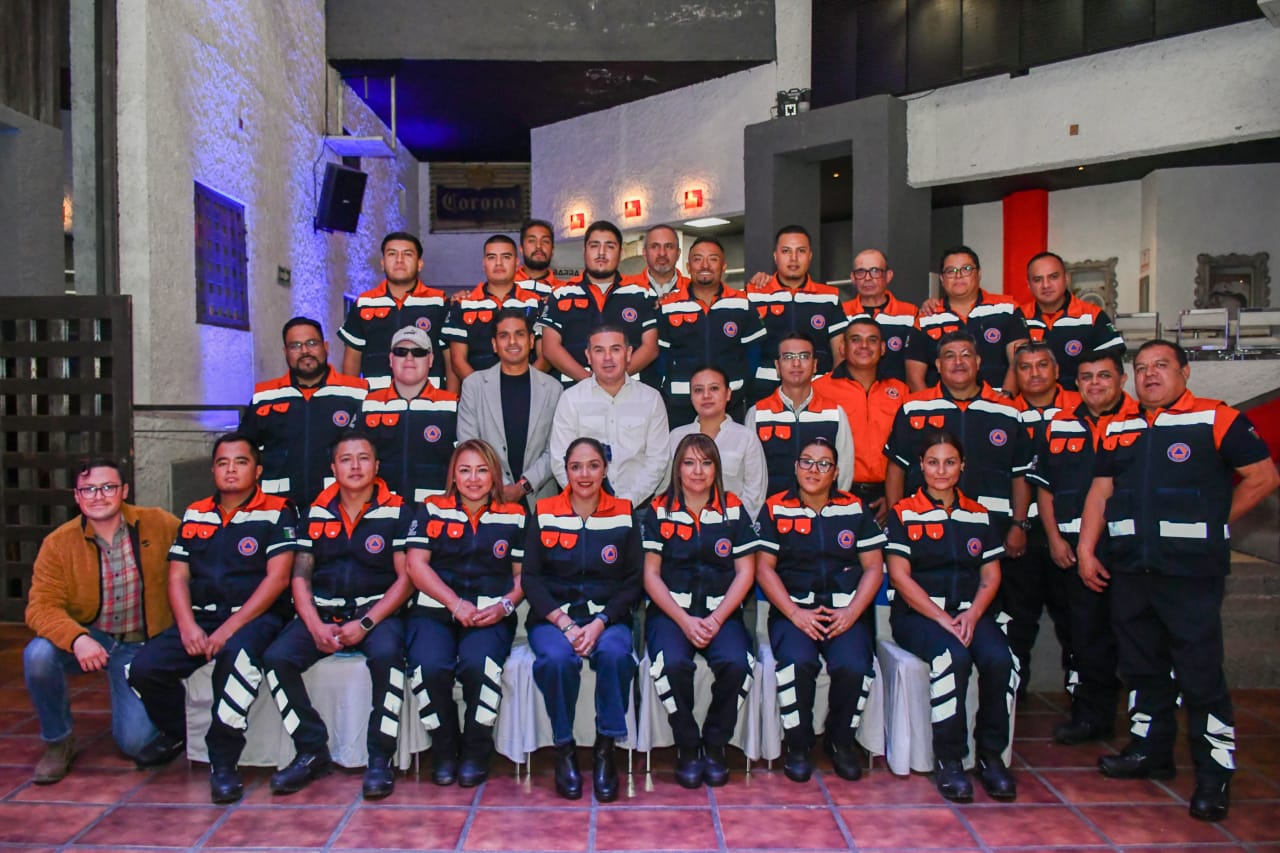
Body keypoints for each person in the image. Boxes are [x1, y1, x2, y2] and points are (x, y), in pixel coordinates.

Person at [1077, 340, 1278, 822]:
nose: (1150, 375)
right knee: (1141, 667)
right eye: (1142, 367)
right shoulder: (1119, 426)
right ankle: (1150, 750)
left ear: (1185, 372)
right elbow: (1101, 490)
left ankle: (1213, 775)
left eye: (1161, 366)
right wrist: (1086, 547)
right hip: (1130, 569)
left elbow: (1263, 477)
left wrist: (1214, 522)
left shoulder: (1217, 419)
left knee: (1200, 675)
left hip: (1190, 573)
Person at [128, 433, 297, 804]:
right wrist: (187, 625)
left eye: (241, 462)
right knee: (144, 668)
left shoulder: (278, 511)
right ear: (213, 471)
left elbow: (278, 579)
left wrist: (229, 630)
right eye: (223, 463)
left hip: (256, 618)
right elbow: (177, 576)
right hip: (202, 617)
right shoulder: (195, 512)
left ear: (258, 470)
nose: (231, 470)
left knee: (234, 660)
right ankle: (179, 732)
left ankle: (223, 761)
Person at [261, 432, 415, 800]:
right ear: (333, 468)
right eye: (346, 459)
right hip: (324, 611)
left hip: (377, 613)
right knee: (276, 658)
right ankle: (311, 749)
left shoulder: (398, 510)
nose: (355, 466)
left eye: (363, 458)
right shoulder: (314, 511)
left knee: (388, 657)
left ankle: (380, 758)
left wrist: (366, 623)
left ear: (377, 466)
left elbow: (407, 580)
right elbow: (300, 576)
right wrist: (314, 624)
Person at [23, 458, 181, 783]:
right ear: (76, 496)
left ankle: (157, 693)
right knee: (38, 655)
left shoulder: (159, 524)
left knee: (135, 743)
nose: (98, 496)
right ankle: (58, 741)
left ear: (124, 491)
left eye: (108, 487)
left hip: (141, 644)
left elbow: (199, 556)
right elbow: (40, 606)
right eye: (88, 489)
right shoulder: (59, 543)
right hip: (93, 637)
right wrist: (77, 638)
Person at [885, 431, 1018, 803]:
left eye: (949, 462)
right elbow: (900, 577)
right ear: (921, 466)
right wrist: (943, 618)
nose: (941, 471)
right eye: (933, 462)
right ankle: (950, 759)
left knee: (1000, 660)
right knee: (952, 657)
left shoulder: (979, 514)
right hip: (919, 616)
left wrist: (973, 613)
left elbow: (991, 576)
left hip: (971, 613)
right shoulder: (903, 513)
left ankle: (991, 756)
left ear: (962, 466)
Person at [755, 437, 886, 783]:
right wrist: (795, 614)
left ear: (836, 472)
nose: (814, 470)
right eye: (807, 462)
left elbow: (874, 567)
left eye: (823, 463)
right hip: (794, 611)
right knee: (797, 663)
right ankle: (798, 746)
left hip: (845, 612)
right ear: (795, 467)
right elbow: (763, 568)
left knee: (854, 666)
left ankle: (840, 742)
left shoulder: (855, 508)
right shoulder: (775, 507)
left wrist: (852, 613)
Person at [522, 438, 644, 802]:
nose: (584, 474)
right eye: (576, 467)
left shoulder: (624, 512)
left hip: (608, 618)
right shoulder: (544, 511)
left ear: (605, 469)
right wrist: (564, 623)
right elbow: (530, 579)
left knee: (615, 655)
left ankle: (606, 750)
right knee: (556, 660)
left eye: (593, 465)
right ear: (565, 471)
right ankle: (565, 749)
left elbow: (633, 580)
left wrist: (601, 621)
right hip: (554, 619)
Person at [405, 439, 526, 787]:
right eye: (465, 470)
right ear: (453, 476)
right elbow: (415, 565)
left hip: (490, 614)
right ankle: (444, 749)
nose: (473, 479)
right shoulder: (431, 508)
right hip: (435, 611)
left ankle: (475, 750)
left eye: (482, 470)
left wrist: (504, 606)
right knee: (428, 667)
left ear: (495, 475)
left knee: (480, 666)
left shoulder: (516, 515)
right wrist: (454, 603)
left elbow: (524, 577)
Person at [642, 434, 757, 788]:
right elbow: (650, 575)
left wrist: (717, 618)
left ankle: (715, 744)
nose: (698, 471)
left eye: (706, 463)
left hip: (721, 613)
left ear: (716, 469)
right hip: (671, 614)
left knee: (738, 664)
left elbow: (746, 572)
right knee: (671, 664)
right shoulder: (659, 509)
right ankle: (688, 745)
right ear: (677, 468)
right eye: (689, 463)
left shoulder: (733, 508)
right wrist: (684, 620)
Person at [1027, 348, 1129, 746]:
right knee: (1085, 638)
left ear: (1122, 380)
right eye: (1086, 377)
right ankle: (1091, 718)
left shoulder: (1142, 422)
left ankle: (1147, 727)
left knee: (1137, 638)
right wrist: (1054, 539)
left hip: (1127, 549)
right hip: (1072, 550)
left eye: (1104, 376)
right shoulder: (1059, 425)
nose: (1094, 384)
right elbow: (1044, 488)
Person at [885, 331, 1034, 562]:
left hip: (995, 528)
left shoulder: (1007, 411)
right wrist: (897, 520)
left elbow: (1020, 472)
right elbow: (896, 468)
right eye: (949, 356)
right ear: (938, 365)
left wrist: (1019, 524)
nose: (958, 362)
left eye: (966, 355)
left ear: (978, 362)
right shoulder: (913, 408)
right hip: (924, 527)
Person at [1001, 341, 1082, 697]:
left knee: (1075, 619)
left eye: (1042, 365)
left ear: (1056, 369)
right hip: (1021, 533)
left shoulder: (1081, 407)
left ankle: (1081, 694)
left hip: (1072, 533)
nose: (1034, 373)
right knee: (1018, 619)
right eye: (1025, 367)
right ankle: (1013, 695)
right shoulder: (1003, 412)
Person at [240, 317, 368, 508]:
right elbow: (243, 451)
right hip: (277, 507)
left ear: (326, 347)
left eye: (312, 343)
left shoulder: (357, 393)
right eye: (295, 346)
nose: (305, 351)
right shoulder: (265, 396)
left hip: (338, 506)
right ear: (285, 352)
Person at [549, 326, 669, 508]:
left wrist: (626, 503)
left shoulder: (651, 399)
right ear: (588, 356)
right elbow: (560, 459)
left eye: (615, 349)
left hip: (638, 509)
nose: (607, 358)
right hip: (584, 509)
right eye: (599, 350)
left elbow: (657, 460)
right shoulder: (571, 399)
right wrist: (589, 499)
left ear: (628, 353)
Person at [457, 309, 564, 507]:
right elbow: (469, 444)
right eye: (504, 336)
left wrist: (523, 486)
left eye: (519, 334)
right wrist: (503, 485)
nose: (512, 342)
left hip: (539, 500)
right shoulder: (474, 386)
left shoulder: (553, 388)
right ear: (494, 344)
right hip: (488, 498)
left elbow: (556, 449)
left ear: (531, 341)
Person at [656, 236, 764, 424]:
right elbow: (660, 357)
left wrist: (740, 388)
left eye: (713, 259)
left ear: (723, 267)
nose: (705, 265)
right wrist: (670, 387)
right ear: (688, 267)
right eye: (698, 259)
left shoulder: (742, 304)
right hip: (681, 405)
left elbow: (754, 354)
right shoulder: (668, 306)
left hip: (731, 404)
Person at [538, 220, 660, 386]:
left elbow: (650, 348)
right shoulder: (560, 294)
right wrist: (590, 382)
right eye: (594, 246)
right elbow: (550, 348)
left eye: (610, 246)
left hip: (631, 391)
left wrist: (615, 379)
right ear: (585, 251)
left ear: (620, 253)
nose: (601, 253)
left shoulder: (642, 294)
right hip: (575, 391)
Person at [814, 315, 909, 523]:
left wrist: (893, 498)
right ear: (842, 348)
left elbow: (905, 452)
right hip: (835, 494)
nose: (864, 346)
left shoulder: (901, 391)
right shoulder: (819, 389)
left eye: (872, 340)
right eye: (856, 339)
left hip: (886, 496)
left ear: (882, 348)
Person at [905, 246, 1028, 393]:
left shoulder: (1007, 308)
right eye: (951, 271)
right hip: (943, 404)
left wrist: (1006, 398)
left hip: (998, 402)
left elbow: (1020, 360)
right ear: (942, 278)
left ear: (979, 273)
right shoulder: (926, 318)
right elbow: (914, 378)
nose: (958, 276)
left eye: (966, 269)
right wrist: (932, 405)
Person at [744, 334, 854, 497]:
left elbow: (844, 469)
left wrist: (832, 506)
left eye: (804, 356)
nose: (796, 363)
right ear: (777, 366)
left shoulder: (834, 413)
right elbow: (751, 474)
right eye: (788, 357)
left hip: (821, 508)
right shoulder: (758, 413)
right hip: (772, 509)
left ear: (815, 365)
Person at [340, 231, 451, 390]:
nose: (399, 260)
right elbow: (352, 359)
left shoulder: (438, 302)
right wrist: (351, 399)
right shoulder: (365, 303)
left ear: (420, 264)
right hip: (376, 398)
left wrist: (451, 399)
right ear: (382, 263)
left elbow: (450, 358)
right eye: (392, 254)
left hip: (429, 398)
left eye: (407, 254)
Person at [359, 326, 459, 503]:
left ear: (430, 360)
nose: (409, 358)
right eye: (401, 352)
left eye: (418, 352)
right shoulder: (369, 404)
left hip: (435, 508)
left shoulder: (452, 405)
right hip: (381, 508)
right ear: (391, 359)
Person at [746, 225, 847, 399]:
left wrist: (833, 389)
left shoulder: (829, 297)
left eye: (801, 251)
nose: (793, 258)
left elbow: (840, 353)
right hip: (764, 394)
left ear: (810, 256)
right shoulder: (754, 294)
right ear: (775, 256)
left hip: (818, 393)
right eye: (786, 251)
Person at [664, 366, 768, 519]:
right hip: (684, 524)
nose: (706, 395)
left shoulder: (746, 437)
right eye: (698, 390)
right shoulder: (676, 437)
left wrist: (733, 523)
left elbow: (755, 493)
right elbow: (667, 488)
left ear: (728, 393)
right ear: (691, 396)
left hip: (733, 524)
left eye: (714, 388)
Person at [442, 234, 544, 388]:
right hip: (479, 393)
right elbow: (457, 361)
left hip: (527, 389)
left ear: (517, 262)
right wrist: (484, 391)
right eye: (491, 257)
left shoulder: (535, 303)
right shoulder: (463, 305)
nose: (498, 263)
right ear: (483, 263)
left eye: (506, 257)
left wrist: (524, 386)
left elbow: (545, 355)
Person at [1019, 252, 1124, 390]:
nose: (1046, 285)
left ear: (1066, 278)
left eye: (1053, 277)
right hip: (1030, 400)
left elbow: (1112, 364)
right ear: (1028, 284)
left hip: (1080, 400)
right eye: (1038, 279)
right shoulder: (1018, 318)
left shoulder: (1092, 316)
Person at [839, 248, 918, 383]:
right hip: (849, 392)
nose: (867, 278)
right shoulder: (840, 313)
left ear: (888, 276)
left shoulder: (910, 313)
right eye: (861, 272)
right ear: (853, 278)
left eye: (875, 271)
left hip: (897, 393)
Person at [625, 224, 690, 300]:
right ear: (645, 253)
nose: (662, 253)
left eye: (669, 246)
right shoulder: (625, 289)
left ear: (678, 253)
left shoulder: (694, 290)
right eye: (654, 246)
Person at [515, 218, 564, 300]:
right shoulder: (505, 286)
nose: (538, 246)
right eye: (532, 241)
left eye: (545, 241)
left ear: (552, 250)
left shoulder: (563, 291)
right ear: (521, 249)